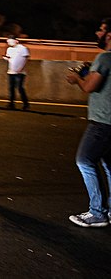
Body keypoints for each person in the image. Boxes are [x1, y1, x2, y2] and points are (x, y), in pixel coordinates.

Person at [65, 17, 111, 228]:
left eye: (101, 30)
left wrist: (77, 79)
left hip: (102, 121)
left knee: (84, 160)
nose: (97, 34)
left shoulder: (104, 57)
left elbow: (89, 87)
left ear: (109, 35)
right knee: (110, 166)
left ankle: (97, 212)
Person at [4, 35, 30, 110]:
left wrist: (20, 68)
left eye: (10, 41)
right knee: (11, 88)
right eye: (8, 42)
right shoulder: (9, 49)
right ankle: (11, 103)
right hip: (11, 71)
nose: (9, 43)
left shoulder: (23, 48)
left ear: (16, 41)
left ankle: (26, 104)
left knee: (20, 88)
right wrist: (6, 58)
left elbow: (25, 59)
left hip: (20, 72)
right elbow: (10, 58)